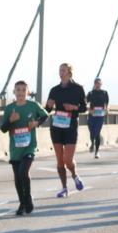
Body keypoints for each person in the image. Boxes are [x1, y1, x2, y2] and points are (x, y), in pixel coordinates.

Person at [1, 80, 48, 215]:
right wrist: (11, 120)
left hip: (29, 146)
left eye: (23, 90)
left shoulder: (33, 106)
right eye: (18, 90)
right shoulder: (10, 109)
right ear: (14, 92)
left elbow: (45, 115)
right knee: (17, 177)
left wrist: (37, 123)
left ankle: (28, 200)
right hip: (15, 148)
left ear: (27, 92)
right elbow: (3, 128)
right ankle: (22, 203)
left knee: (23, 172)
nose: (20, 93)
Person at [44, 63, 87, 197]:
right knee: (59, 160)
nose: (61, 73)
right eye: (59, 71)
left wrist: (73, 107)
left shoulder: (78, 88)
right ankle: (64, 188)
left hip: (71, 126)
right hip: (56, 126)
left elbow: (84, 108)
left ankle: (75, 175)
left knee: (68, 159)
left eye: (63, 70)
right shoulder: (54, 90)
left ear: (69, 72)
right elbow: (47, 110)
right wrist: (48, 106)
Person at [86, 78, 110, 158]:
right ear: (94, 84)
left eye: (99, 83)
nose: (97, 84)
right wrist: (89, 110)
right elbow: (85, 103)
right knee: (92, 132)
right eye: (96, 83)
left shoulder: (104, 93)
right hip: (92, 115)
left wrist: (107, 109)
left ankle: (97, 152)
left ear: (101, 84)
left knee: (97, 133)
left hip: (100, 116)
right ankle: (92, 143)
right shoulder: (90, 93)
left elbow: (107, 103)